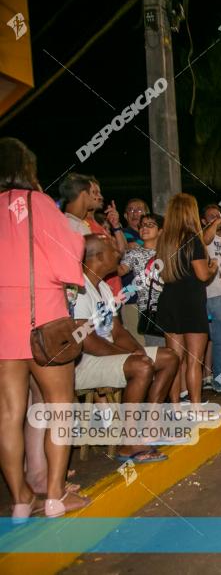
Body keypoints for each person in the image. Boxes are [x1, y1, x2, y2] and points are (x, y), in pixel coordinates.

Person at [0, 138, 88, 519]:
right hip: (44, 320)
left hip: (3, 322)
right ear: (28, 169)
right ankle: (54, 496)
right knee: (59, 409)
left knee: (9, 413)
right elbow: (68, 257)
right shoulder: (39, 204)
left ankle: (20, 499)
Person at [74, 235, 179, 462]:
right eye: (112, 250)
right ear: (99, 257)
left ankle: (151, 427)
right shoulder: (79, 290)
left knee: (169, 357)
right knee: (141, 366)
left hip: (106, 353)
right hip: (84, 362)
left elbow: (117, 331)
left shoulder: (102, 286)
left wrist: (136, 350)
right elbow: (87, 341)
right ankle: (128, 442)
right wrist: (130, 356)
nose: (119, 253)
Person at [156, 193, 215, 404]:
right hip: (191, 302)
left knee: (174, 361)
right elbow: (202, 275)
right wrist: (213, 267)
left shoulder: (164, 240)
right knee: (194, 361)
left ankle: (175, 407)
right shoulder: (192, 239)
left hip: (169, 301)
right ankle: (196, 408)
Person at [118, 214, 166, 347]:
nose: (144, 228)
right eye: (142, 225)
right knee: (156, 351)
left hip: (169, 309)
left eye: (150, 225)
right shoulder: (133, 253)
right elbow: (121, 270)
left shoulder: (168, 253)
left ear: (161, 231)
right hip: (148, 311)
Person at [201, 204, 221, 383]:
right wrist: (214, 224)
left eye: (218, 215)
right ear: (204, 221)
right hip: (212, 295)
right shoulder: (205, 236)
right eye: (211, 216)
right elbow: (204, 240)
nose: (217, 218)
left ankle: (220, 376)